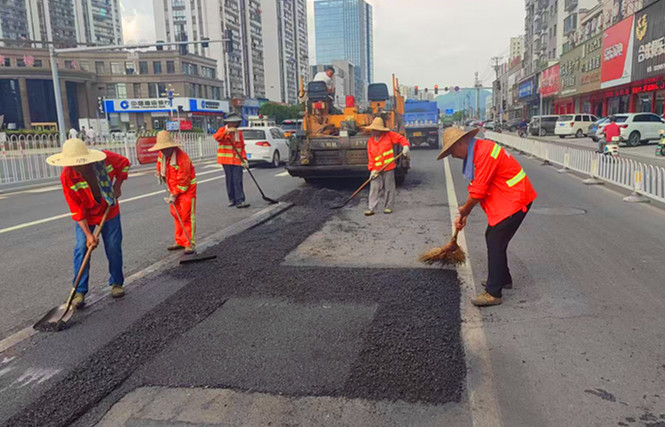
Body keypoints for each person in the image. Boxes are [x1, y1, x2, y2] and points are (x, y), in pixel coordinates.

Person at [437, 127, 537, 307]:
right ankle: (502, 279)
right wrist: (465, 213)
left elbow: (477, 193)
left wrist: (465, 210)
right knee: (494, 238)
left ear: (461, 144)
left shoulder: (485, 153)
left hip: (516, 199)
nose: (453, 156)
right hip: (508, 200)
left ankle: (493, 293)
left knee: (495, 240)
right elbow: (476, 186)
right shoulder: (477, 152)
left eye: (452, 151)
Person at [46, 139, 130, 308]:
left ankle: (116, 283)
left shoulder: (105, 160)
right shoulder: (67, 176)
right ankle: (79, 291)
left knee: (113, 246)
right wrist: (88, 235)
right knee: (82, 248)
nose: (78, 167)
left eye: (80, 163)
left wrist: (118, 186)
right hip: (86, 215)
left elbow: (125, 164)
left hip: (109, 208)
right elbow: (76, 209)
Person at [149, 130, 197, 254]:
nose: (164, 151)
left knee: (186, 216)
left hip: (186, 190)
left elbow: (184, 180)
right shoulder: (162, 155)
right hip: (173, 189)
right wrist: (159, 173)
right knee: (176, 214)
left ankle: (189, 243)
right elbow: (160, 165)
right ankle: (180, 241)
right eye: (162, 149)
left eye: (166, 148)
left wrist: (174, 194)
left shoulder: (182, 158)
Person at [363, 117, 410, 216]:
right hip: (376, 169)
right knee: (374, 188)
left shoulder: (389, 136)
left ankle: (388, 207)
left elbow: (401, 139)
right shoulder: (370, 142)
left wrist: (405, 146)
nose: (374, 132)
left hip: (388, 167)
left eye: (376, 130)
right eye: (373, 130)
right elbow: (371, 158)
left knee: (389, 188)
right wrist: (372, 170)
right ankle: (371, 208)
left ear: (381, 130)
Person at [213, 113, 250, 208]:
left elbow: (241, 146)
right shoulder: (222, 130)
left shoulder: (239, 133)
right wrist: (227, 132)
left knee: (237, 180)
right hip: (226, 160)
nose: (233, 125)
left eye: (235, 123)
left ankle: (240, 200)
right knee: (229, 180)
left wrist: (244, 159)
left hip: (237, 160)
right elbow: (217, 137)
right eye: (231, 123)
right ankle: (232, 199)